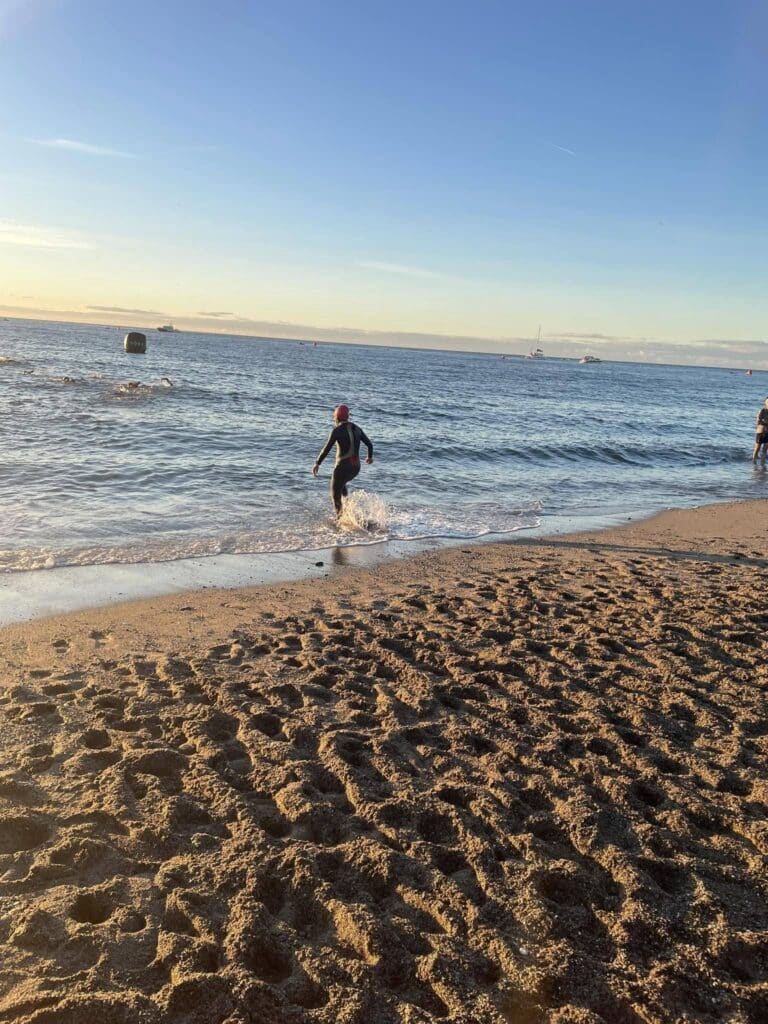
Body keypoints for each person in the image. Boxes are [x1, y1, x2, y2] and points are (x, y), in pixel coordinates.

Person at [312, 404, 373, 514]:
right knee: (342, 484)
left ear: (337, 417)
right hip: (356, 467)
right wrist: (369, 457)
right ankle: (350, 513)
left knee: (335, 496)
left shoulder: (336, 430)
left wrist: (317, 463)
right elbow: (369, 444)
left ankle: (340, 522)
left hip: (343, 467)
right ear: (347, 417)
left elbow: (326, 449)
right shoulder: (357, 428)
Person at [753, 398, 768, 463]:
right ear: (765, 403)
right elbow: (758, 421)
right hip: (761, 432)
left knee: (765, 449)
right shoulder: (762, 411)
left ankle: (763, 463)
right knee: (757, 448)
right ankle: (754, 462)